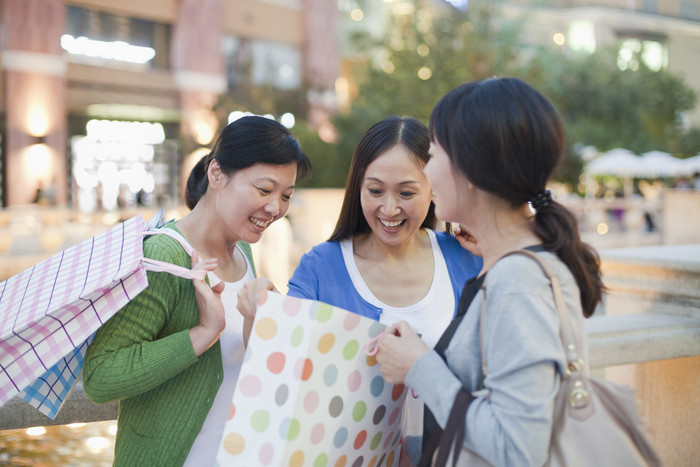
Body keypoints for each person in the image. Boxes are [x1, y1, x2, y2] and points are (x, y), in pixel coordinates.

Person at [375, 78, 603, 465]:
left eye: (433, 155)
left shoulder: (519, 281)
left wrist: (419, 367)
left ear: (470, 167)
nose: (427, 172)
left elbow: (518, 451)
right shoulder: (514, 264)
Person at [238, 116, 482, 462]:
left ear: (433, 189)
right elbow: (277, 363)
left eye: (407, 192)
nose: (389, 209)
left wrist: (497, 250)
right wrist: (259, 312)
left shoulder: (467, 257)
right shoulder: (322, 266)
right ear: (358, 188)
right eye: (375, 190)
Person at [83, 116, 311, 466]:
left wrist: (264, 321)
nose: (275, 208)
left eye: (286, 196)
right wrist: (203, 333)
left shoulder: (243, 251)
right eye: (264, 190)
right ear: (217, 174)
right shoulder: (163, 257)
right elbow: (100, 377)